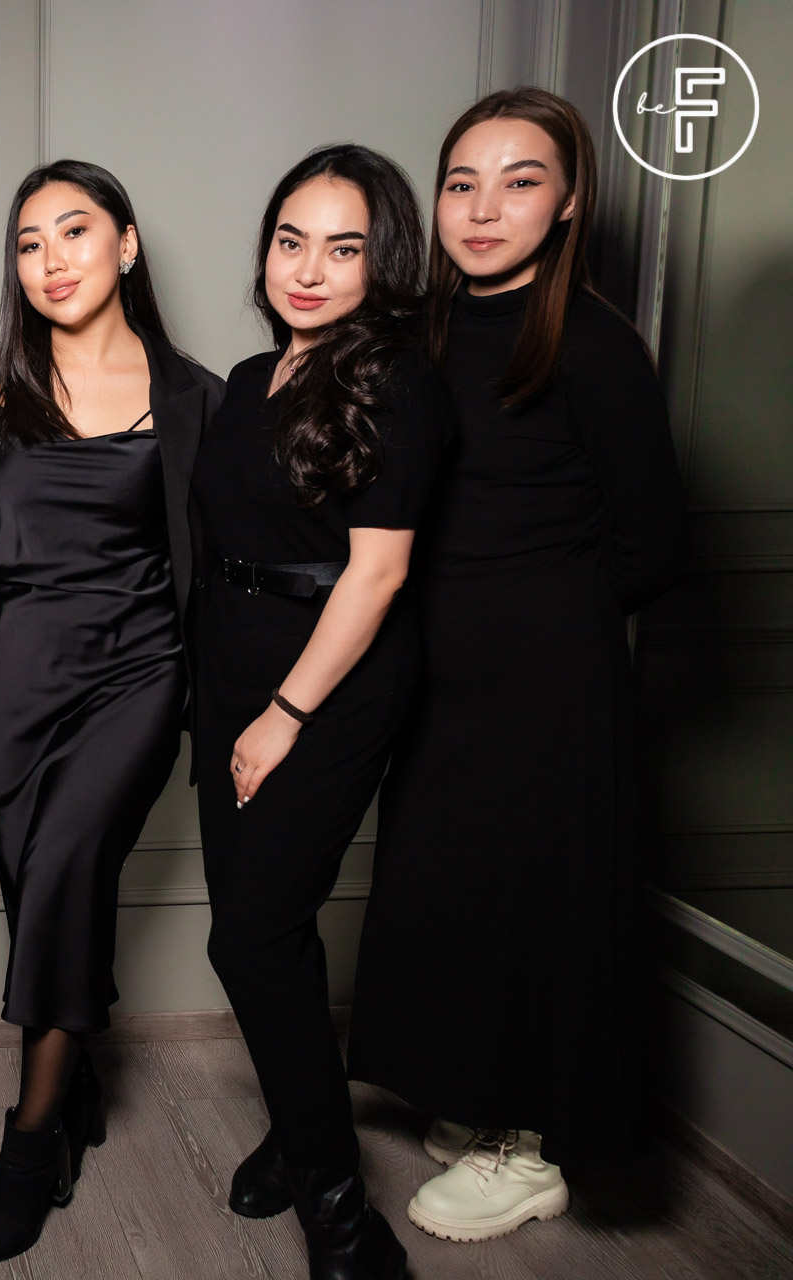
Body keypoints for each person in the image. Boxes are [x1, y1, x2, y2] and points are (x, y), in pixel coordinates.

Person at [348, 88, 689, 1243]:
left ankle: (532, 1146)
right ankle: (483, 1096)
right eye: (463, 183)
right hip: (437, 674)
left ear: (570, 201)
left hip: (547, 682)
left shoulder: (595, 344)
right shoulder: (424, 334)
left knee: (540, 906)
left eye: (520, 180)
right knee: (456, 893)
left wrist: (548, 617)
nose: (484, 208)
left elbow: (656, 545)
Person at [192, 143, 449, 1280]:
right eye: (291, 241)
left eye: (343, 250)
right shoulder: (252, 377)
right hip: (229, 670)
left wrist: (286, 711)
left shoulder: (398, 381)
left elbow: (377, 574)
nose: (308, 269)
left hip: (325, 683)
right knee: (269, 933)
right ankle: (302, 1132)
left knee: (248, 935)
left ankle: (343, 1216)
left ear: (382, 262)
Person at [0, 160, 223, 1265]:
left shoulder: (198, 397)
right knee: (43, 890)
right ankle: (76, 1090)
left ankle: (29, 1144)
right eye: (29, 243)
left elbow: (228, 559)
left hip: (138, 672)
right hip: (15, 674)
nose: (51, 260)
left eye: (75, 231)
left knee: (66, 866)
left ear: (126, 243)